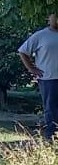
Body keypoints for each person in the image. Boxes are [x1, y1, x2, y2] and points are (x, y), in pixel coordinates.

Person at [17, 11, 58, 140]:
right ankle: (51, 136)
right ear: (48, 18)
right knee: (51, 107)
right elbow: (23, 51)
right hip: (48, 78)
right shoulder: (41, 36)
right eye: (55, 16)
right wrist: (31, 68)